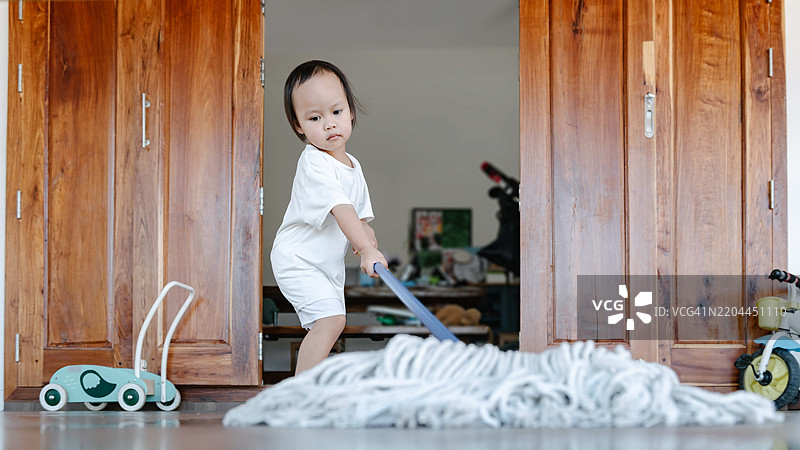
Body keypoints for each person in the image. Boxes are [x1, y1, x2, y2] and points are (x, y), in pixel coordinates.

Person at [271, 60, 388, 375]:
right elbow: (342, 209)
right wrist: (364, 248)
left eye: (336, 112)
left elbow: (361, 218)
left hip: (325, 267)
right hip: (298, 260)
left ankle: (308, 388)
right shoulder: (314, 163)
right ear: (299, 126)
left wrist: (369, 243)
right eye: (314, 117)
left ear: (350, 111)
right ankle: (300, 396)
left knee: (332, 323)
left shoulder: (352, 165)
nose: (329, 124)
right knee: (330, 320)